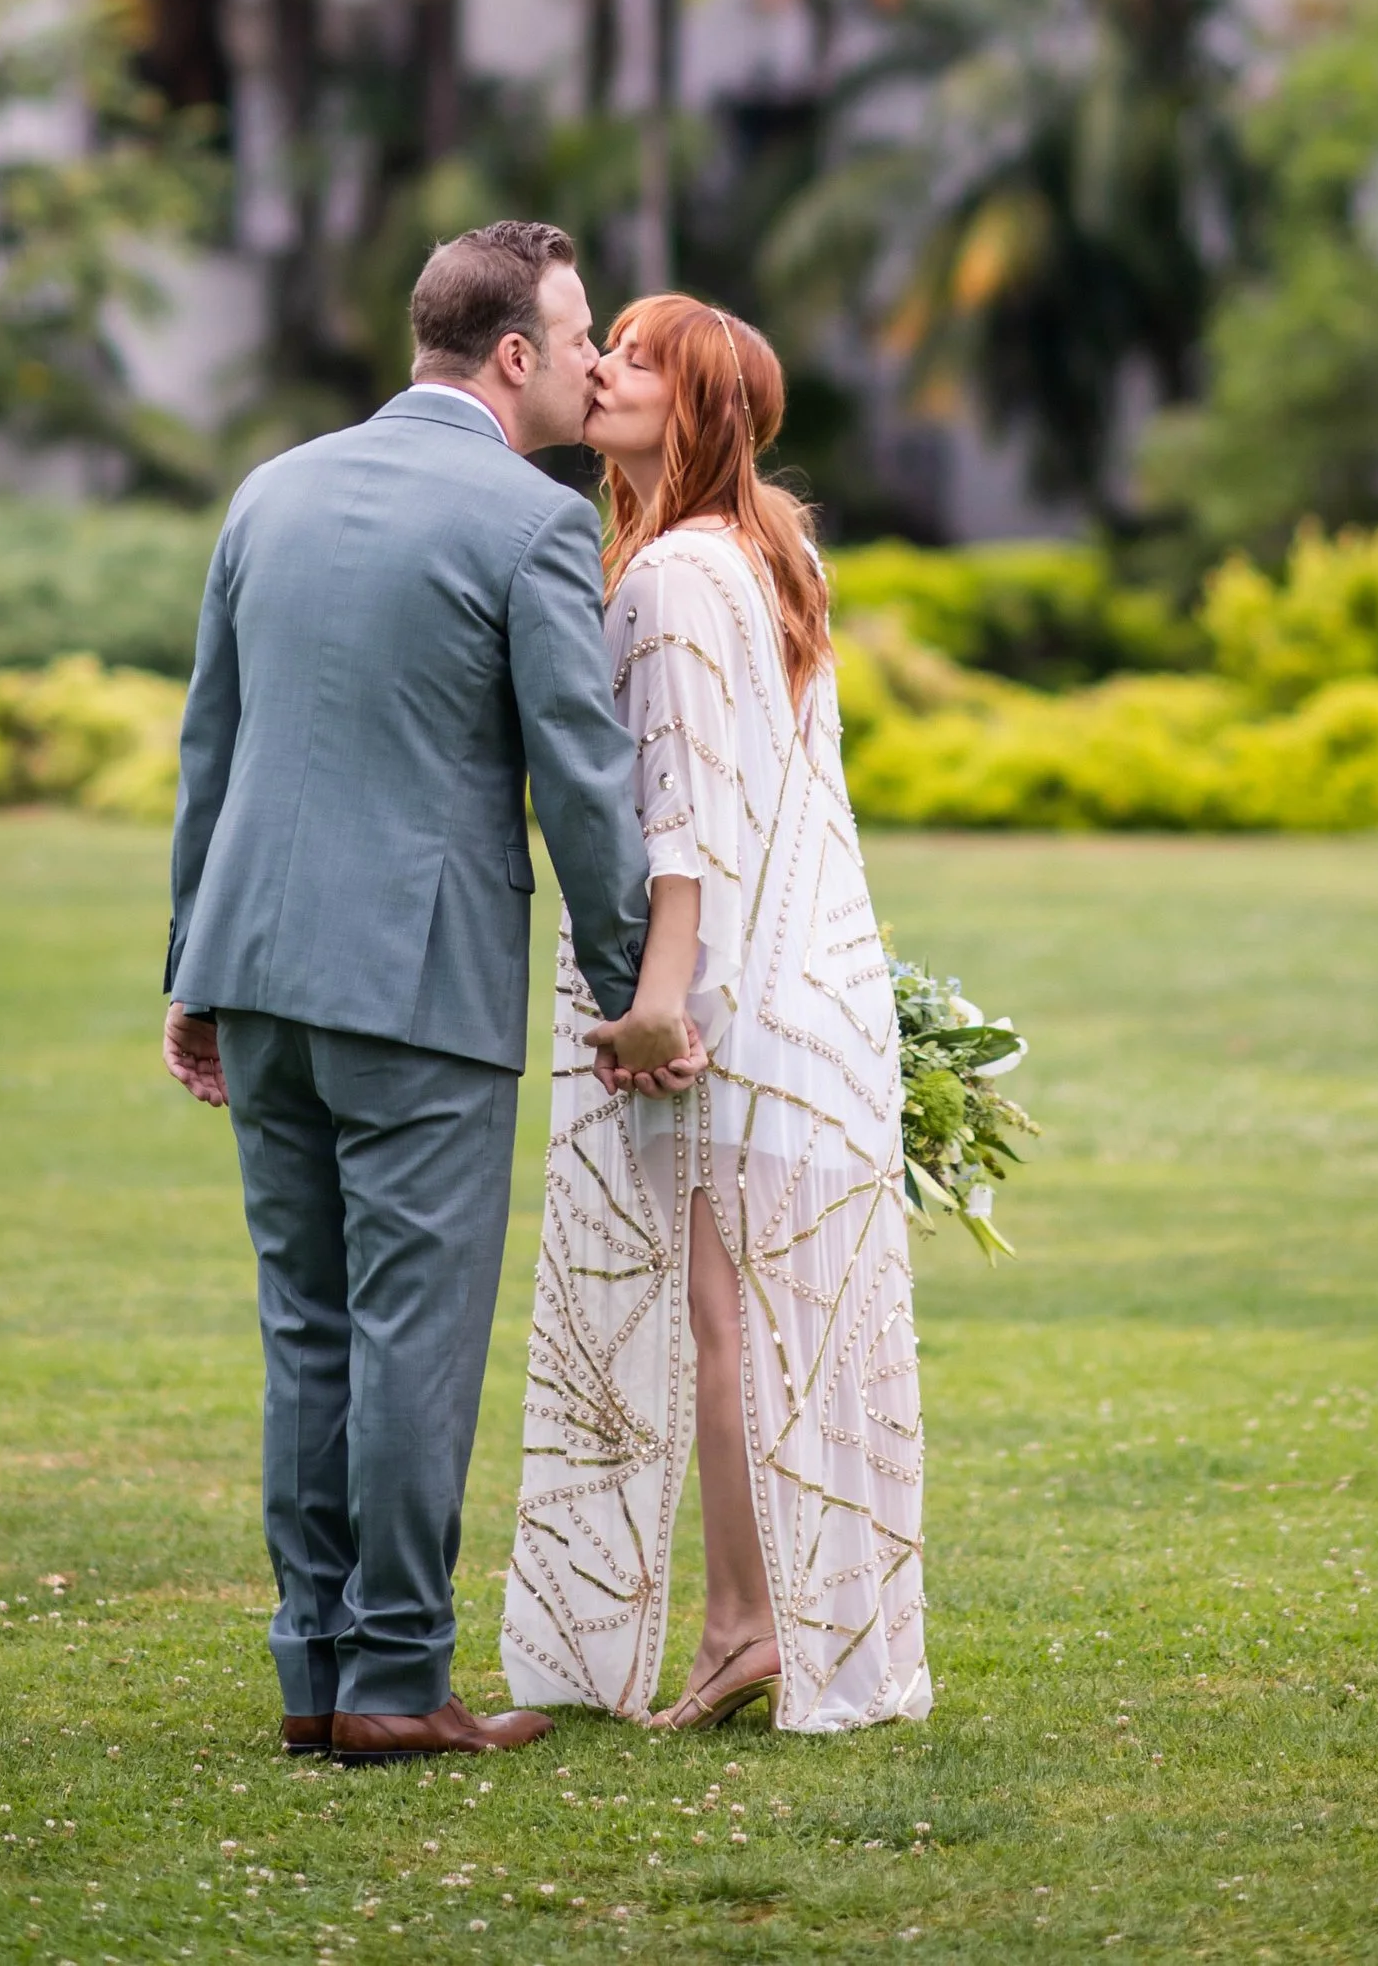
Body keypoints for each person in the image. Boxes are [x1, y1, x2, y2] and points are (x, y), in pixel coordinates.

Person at [162, 220, 707, 1765]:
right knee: (411, 1332)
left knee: (309, 1326)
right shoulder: (529, 524)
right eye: (581, 332)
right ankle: (397, 1678)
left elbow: (212, 750)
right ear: (515, 355)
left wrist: (191, 974)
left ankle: (314, 1668)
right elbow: (583, 783)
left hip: (257, 972)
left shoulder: (269, 489)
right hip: (416, 992)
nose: (600, 361)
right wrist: (633, 989)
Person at [502, 295, 931, 1735]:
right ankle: (771, 1619)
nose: (603, 366)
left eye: (639, 357)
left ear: (697, 410)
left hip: (728, 1001)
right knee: (770, 1317)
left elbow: (681, 813)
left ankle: (747, 1621)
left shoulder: (671, 578)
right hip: (823, 993)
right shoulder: (775, 552)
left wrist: (654, 1002)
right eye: (603, 340)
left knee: (719, 1315)